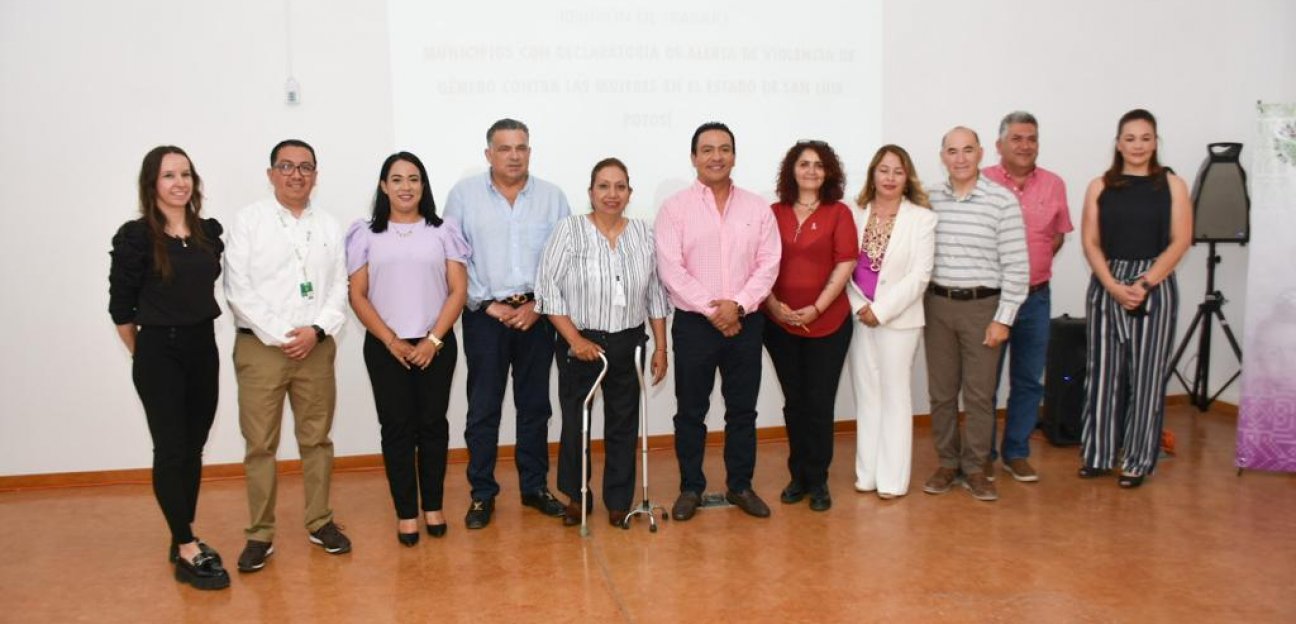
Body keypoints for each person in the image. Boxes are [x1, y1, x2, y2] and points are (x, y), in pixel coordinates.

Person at [224, 139, 351, 572]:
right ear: (271, 173)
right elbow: (238, 290)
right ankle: (260, 534)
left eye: (306, 167)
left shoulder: (330, 226)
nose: (296, 174)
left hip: (315, 347)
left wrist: (315, 331)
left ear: (316, 174)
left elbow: (340, 287)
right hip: (261, 349)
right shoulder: (248, 222)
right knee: (261, 444)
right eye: (286, 166)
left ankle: (320, 521)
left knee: (316, 440)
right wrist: (284, 336)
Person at [109, 146, 229, 590]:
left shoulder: (207, 234)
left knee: (194, 448)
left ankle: (183, 532)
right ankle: (185, 543)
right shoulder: (136, 238)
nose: (179, 182)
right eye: (168, 175)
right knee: (171, 450)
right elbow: (121, 310)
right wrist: (145, 352)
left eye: (186, 174)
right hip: (159, 351)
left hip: (203, 347)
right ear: (151, 184)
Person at [444, 119, 572, 529]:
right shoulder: (463, 197)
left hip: (536, 316)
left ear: (530, 152)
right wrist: (484, 304)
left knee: (535, 406)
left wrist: (538, 302)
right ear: (489, 154)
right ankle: (482, 494)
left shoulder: (552, 198)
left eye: (521, 147)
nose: (514, 155)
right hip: (486, 317)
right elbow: (454, 256)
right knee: (483, 409)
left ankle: (534, 487)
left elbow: (564, 258)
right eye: (504, 148)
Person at [535, 157, 671, 529]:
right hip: (581, 341)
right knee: (576, 422)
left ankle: (618, 499)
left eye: (620, 187)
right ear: (591, 192)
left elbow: (656, 295)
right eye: (604, 186)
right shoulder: (570, 230)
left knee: (623, 423)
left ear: (629, 193)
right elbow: (547, 289)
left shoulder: (645, 234)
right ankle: (577, 495)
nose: (612, 194)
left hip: (629, 339)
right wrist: (575, 339)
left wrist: (661, 346)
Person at [655, 121, 781, 521]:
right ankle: (690, 487)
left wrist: (738, 306)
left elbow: (769, 263)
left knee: (742, 410)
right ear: (694, 157)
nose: (716, 156)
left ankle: (740, 486)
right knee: (690, 411)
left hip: (745, 324)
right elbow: (671, 269)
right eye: (707, 149)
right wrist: (715, 311)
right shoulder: (674, 209)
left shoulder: (757, 208)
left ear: (734, 156)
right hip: (695, 325)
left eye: (724, 149)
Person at [346, 152, 470, 545]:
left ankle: (432, 504)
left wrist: (433, 339)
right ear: (384, 186)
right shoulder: (365, 233)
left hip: (436, 344)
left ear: (423, 185)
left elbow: (458, 290)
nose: (405, 186)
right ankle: (405, 513)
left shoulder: (443, 230)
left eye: (413, 179)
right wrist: (392, 340)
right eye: (396, 179)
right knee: (397, 428)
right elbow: (358, 295)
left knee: (433, 426)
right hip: (386, 346)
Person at [1078, 108, 1191, 488]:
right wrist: (1111, 284)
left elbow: (1181, 241)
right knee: (1103, 372)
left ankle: (1138, 460)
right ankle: (1098, 454)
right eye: (1130, 138)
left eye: (1145, 138)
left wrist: (1145, 283)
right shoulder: (1100, 186)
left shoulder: (1173, 185)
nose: (1138, 145)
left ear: (1156, 142)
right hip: (1106, 283)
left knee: (1145, 378)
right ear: (1118, 143)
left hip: (1154, 287)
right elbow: (1090, 242)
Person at [922, 127, 1029, 502]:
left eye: (968, 150)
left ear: (981, 153)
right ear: (942, 156)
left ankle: (976, 468)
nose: (960, 158)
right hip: (937, 306)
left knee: (981, 395)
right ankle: (948, 463)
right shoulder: (929, 199)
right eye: (952, 151)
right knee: (941, 393)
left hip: (984, 308)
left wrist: (1004, 318)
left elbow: (1018, 267)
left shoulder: (1002, 201)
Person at [761, 140, 857, 512]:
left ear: (829, 171)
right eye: (804, 164)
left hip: (828, 322)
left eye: (819, 164)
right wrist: (773, 305)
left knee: (819, 402)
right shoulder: (773, 212)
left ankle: (818, 480)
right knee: (794, 402)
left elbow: (845, 263)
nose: (812, 170)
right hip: (779, 323)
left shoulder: (839, 213)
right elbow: (761, 263)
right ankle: (797, 475)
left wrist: (817, 308)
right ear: (792, 170)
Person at [982, 111, 1074, 483]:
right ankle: (982, 453)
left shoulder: (1054, 184)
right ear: (1000, 144)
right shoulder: (983, 181)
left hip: (1035, 299)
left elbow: (1057, 235)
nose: (1025, 145)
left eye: (1031, 138)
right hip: (990, 299)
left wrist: (1029, 269)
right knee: (983, 381)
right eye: (1017, 138)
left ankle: (1016, 452)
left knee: (1028, 380)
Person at [845, 145, 937, 500]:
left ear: (907, 177)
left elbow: (920, 275)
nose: (890, 178)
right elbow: (842, 267)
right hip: (858, 317)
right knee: (867, 396)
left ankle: (892, 479)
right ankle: (866, 473)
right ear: (872, 173)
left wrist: (881, 310)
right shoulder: (854, 213)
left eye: (897, 171)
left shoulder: (922, 218)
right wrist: (859, 306)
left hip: (899, 320)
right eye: (884, 170)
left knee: (895, 396)